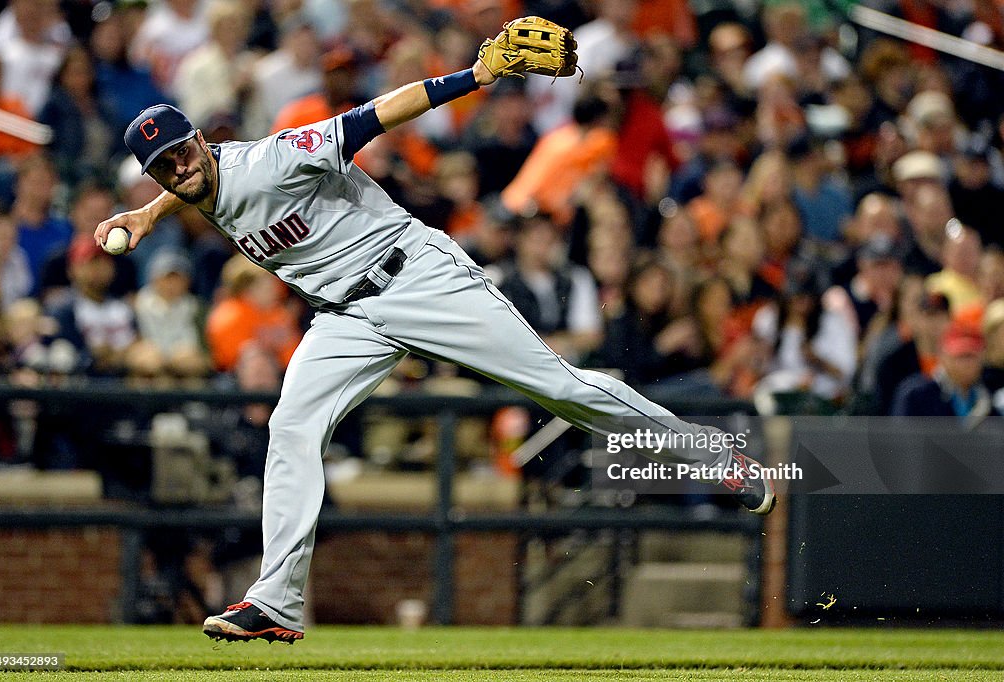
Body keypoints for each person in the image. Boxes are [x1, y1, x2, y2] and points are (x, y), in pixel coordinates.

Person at [96, 38, 775, 644]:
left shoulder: (267, 161)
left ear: (202, 142)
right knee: (292, 425)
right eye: (162, 165)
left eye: (182, 152)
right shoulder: (191, 185)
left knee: (561, 390)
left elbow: (373, 117)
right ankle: (275, 602)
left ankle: (714, 455)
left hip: (414, 275)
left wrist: (473, 77)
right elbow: (191, 186)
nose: (177, 167)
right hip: (346, 316)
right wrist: (151, 214)